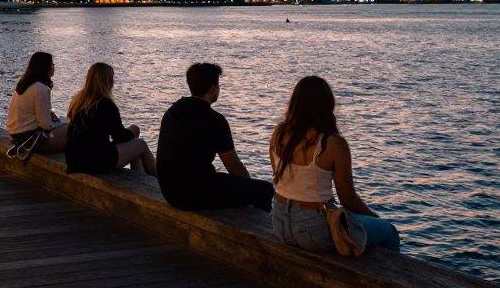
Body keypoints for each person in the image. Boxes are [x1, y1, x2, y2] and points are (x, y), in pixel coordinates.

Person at [269, 76, 401, 252]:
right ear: (328, 105)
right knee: (389, 232)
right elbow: (348, 199)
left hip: (279, 224)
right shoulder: (333, 144)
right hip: (313, 232)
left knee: (351, 218)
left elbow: (278, 177)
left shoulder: (279, 133)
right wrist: (375, 218)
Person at [156, 63, 273, 212]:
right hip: (193, 196)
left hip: (169, 191)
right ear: (212, 88)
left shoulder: (172, 111)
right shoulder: (215, 120)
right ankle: (258, 224)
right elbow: (234, 168)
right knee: (265, 190)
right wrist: (248, 184)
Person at [65, 62, 155, 176]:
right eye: (112, 78)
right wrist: (133, 132)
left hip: (74, 160)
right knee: (140, 144)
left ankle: (141, 181)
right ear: (107, 81)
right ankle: (161, 178)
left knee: (135, 151)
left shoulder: (78, 102)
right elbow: (119, 136)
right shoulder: (106, 105)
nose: (113, 82)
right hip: (95, 161)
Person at [6, 51, 68, 161]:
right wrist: (56, 123)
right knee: (71, 127)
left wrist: (49, 114)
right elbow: (46, 125)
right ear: (45, 67)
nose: (53, 67)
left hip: (15, 135)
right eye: (52, 65)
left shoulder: (23, 85)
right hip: (31, 137)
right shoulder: (41, 88)